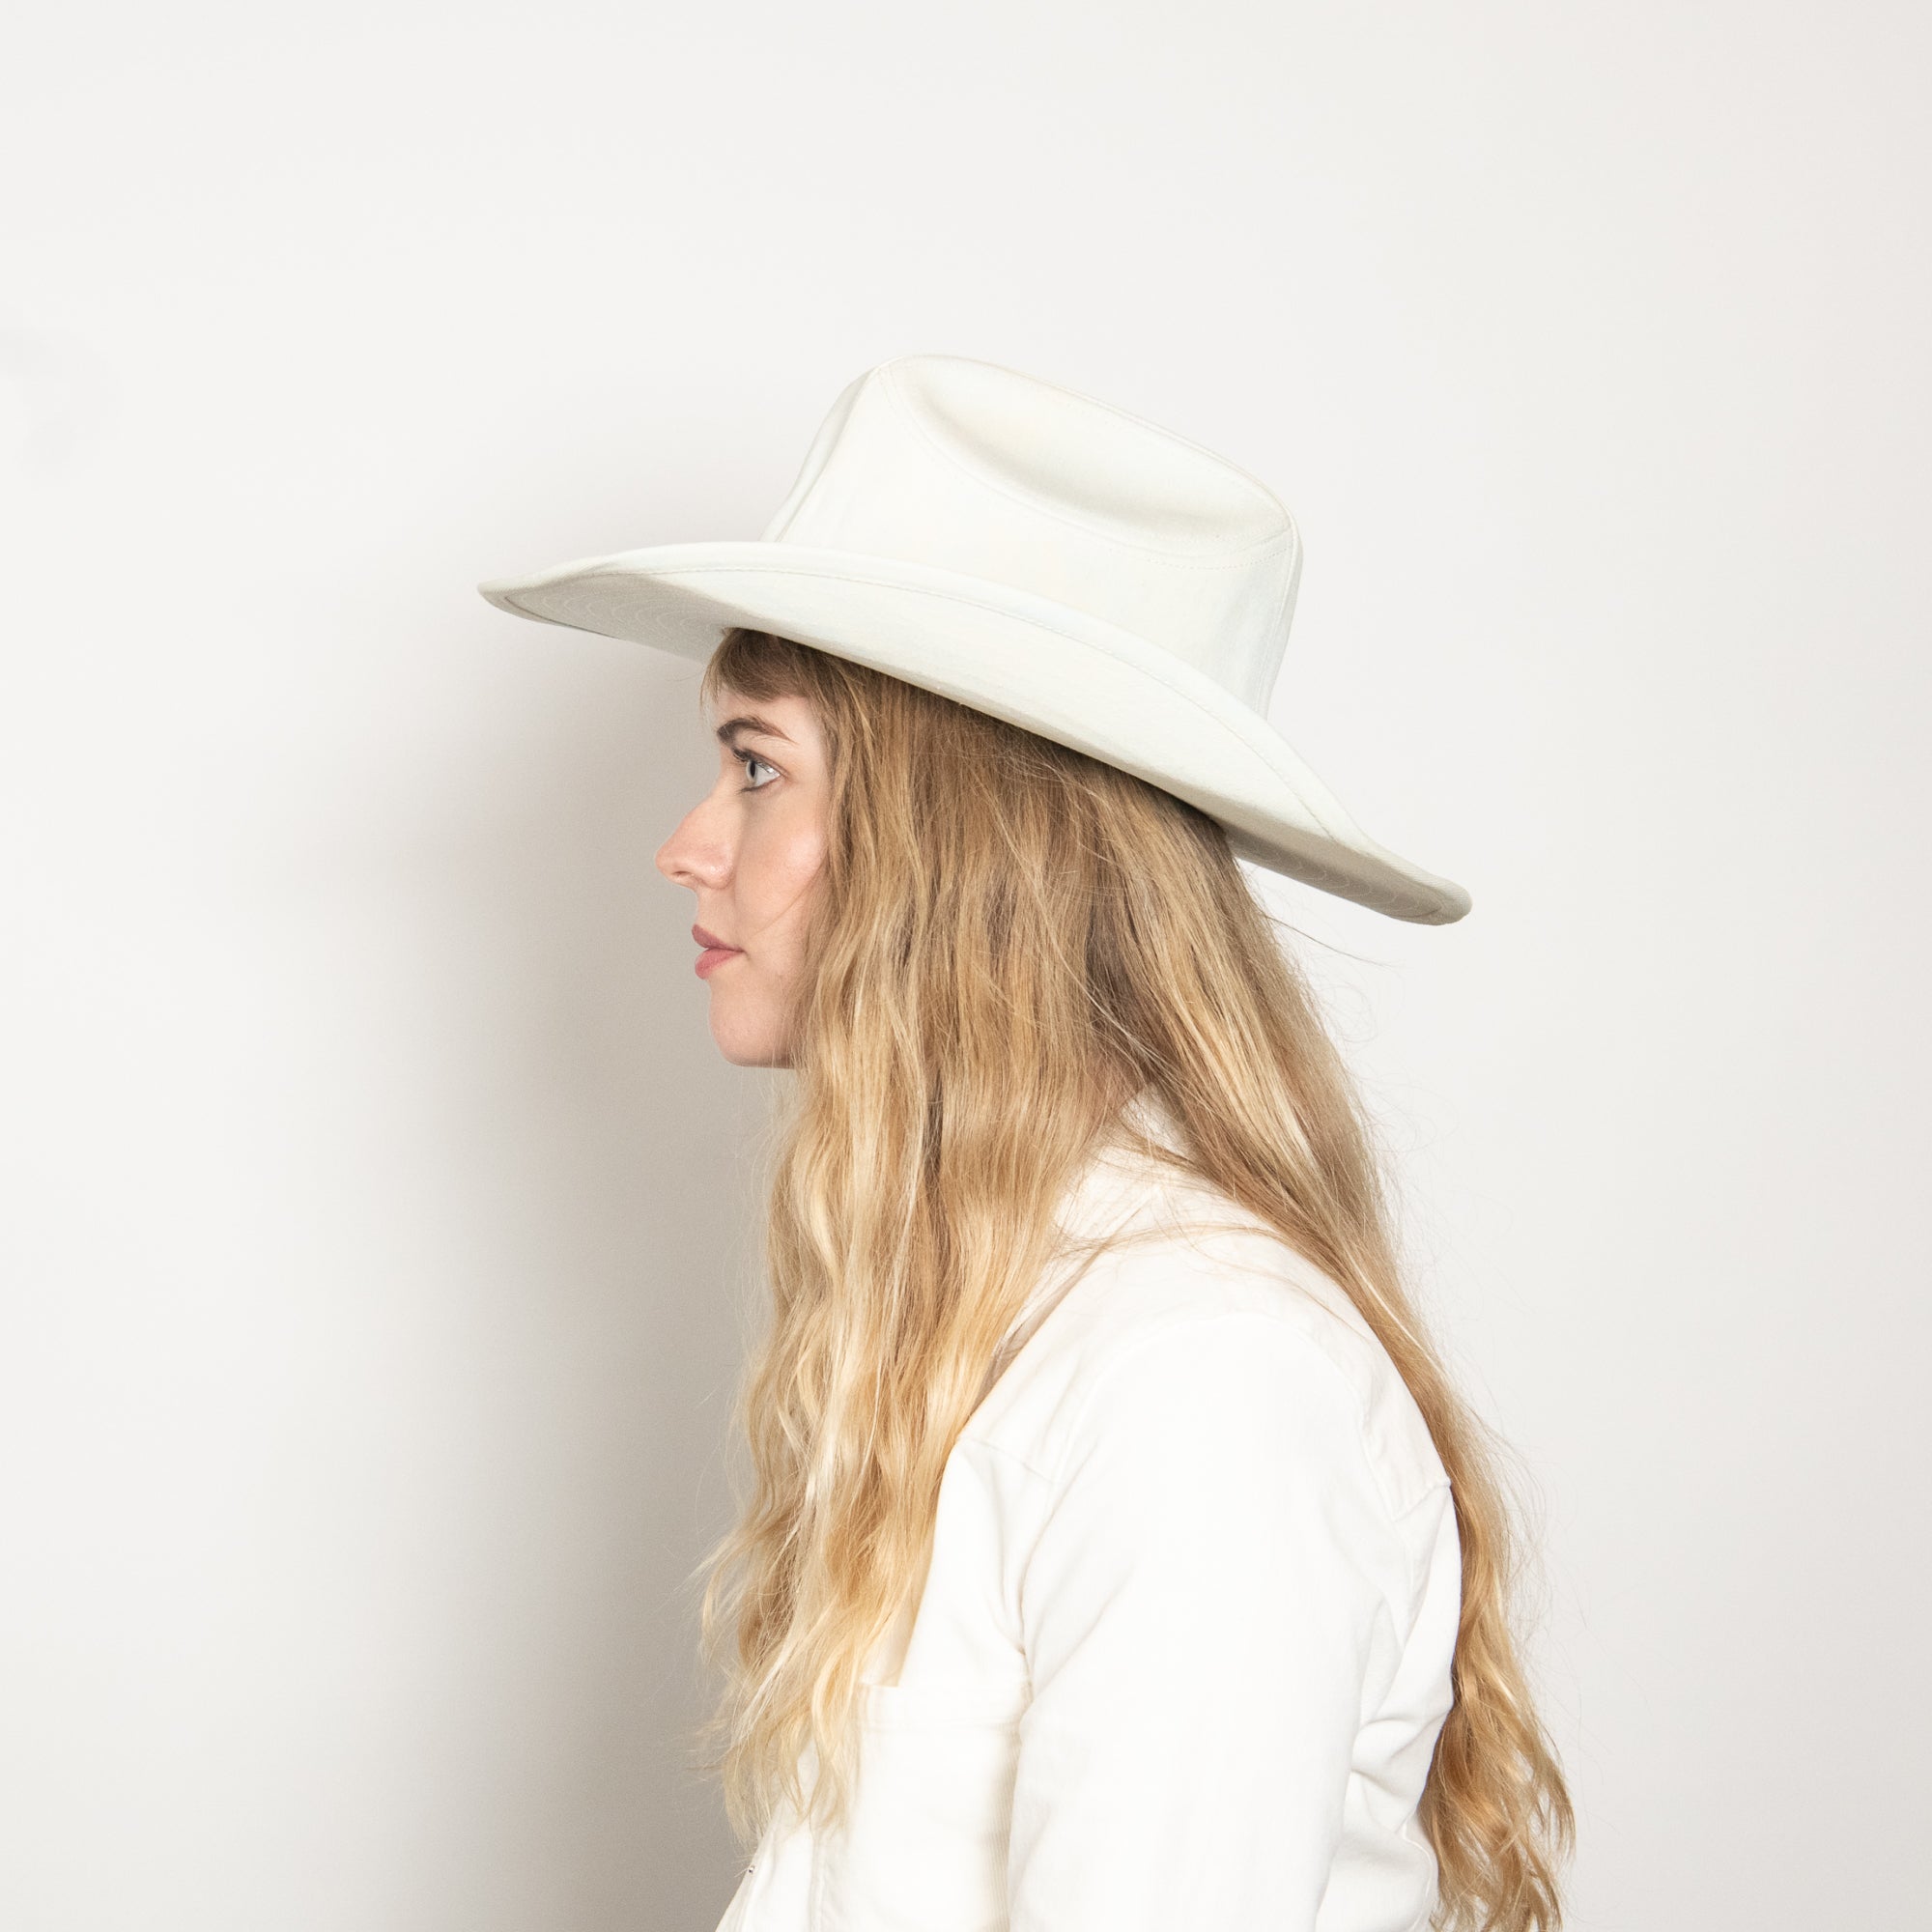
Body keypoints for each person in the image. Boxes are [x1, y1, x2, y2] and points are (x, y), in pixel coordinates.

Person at [478, 355, 1573, 1931]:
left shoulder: (1199, 1373)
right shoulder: (1011, 1319)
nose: (689, 843)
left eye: (757, 765)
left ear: (959, 836)